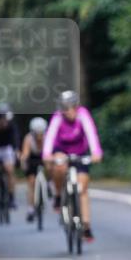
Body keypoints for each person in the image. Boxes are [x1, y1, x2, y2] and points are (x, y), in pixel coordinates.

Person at [43, 90, 103, 242]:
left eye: (68, 107)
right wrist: (47, 154)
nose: (66, 111)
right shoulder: (58, 117)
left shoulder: (83, 114)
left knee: (82, 188)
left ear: (76, 106)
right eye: (63, 107)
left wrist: (96, 152)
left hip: (80, 153)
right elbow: (50, 137)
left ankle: (86, 226)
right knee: (59, 168)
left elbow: (91, 133)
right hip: (61, 152)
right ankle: (58, 195)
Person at [21, 117, 47, 222]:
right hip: (32, 159)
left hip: (44, 157)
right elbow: (25, 154)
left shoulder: (47, 138)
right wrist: (23, 163)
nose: (40, 136)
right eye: (37, 133)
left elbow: (50, 153)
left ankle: (49, 183)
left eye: (41, 133)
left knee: (49, 165)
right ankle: (31, 209)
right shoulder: (28, 139)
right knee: (31, 182)